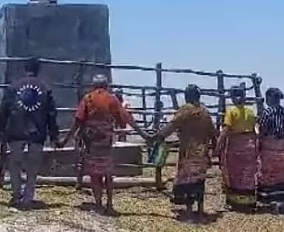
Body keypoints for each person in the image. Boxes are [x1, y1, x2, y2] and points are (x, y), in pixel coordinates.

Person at [61, 74, 150, 215]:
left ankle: (98, 203)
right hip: (106, 143)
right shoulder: (112, 99)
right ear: (107, 86)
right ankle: (109, 203)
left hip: (92, 144)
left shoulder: (88, 98)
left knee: (95, 175)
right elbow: (126, 118)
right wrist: (144, 134)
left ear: (93, 86)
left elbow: (77, 121)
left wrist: (65, 140)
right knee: (108, 174)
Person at [0, 58, 60, 208]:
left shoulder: (13, 87)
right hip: (37, 132)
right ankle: (28, 196)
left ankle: (16, 193)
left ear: (25, 69)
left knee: (14, 164)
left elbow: (4, 110)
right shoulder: (45, 88)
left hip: (16, 131)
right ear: (38, 70)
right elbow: (51, 114)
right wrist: (54, 135)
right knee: (33, 166)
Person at [151, 85, 216, 221]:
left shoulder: (186, 110)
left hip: (189, 152)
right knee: (199, 180)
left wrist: (160, 136)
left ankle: (189, 211)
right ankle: (200, 210)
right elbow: (213, 132)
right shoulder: (205, 111)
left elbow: (173, 125)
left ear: (188, 96)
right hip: (202, 152)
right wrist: (215, 149)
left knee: (188, 181)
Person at [217, 85, 258, 212]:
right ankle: (249, 202)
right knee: (247, 174)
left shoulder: (231, 111)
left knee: (234, 173)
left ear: (232, 97)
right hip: (250, 144)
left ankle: (235, 202)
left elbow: (226, 130)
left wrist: (218, 145)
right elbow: (255, 129)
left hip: (236, 145)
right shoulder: (251, 111)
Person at [256, 87, 284, 211]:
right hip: (281, 147)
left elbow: (262, 130)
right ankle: (283, 200)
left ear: (271, 98)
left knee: (267, 173)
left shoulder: (268, 112)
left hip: (269, 146)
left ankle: (269, 202)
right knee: (281, 174)